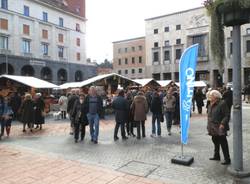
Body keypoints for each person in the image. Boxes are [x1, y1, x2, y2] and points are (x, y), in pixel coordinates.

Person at [207, 90, 231, 165]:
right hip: (212, 126)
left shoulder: (222, 103)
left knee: (223, 142)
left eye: (211, 96)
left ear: (216, 96)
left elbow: (227, 115)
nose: (210, 97)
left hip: (220, 127)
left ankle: (227, 159)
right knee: (215, 140)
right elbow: (209, 115)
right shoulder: (210, 103)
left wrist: (223, 124)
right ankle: (216, 156)